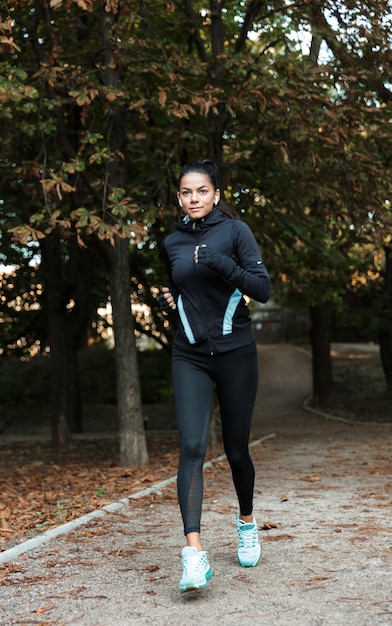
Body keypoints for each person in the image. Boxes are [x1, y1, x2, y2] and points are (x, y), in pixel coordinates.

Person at [158, 158, 270, 592]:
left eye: (201, 191)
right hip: (189, 355)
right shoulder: (171, 241)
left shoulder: (236, 233)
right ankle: (193, 555)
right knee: (191, 445)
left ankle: (245, 521)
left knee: (236, 450)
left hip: (236, 353)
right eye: (186, 192)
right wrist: (170, 308)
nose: (193, 199)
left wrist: (222, 263)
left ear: (216, 194)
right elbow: (189, 296)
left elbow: (261, 289)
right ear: (180, 198)